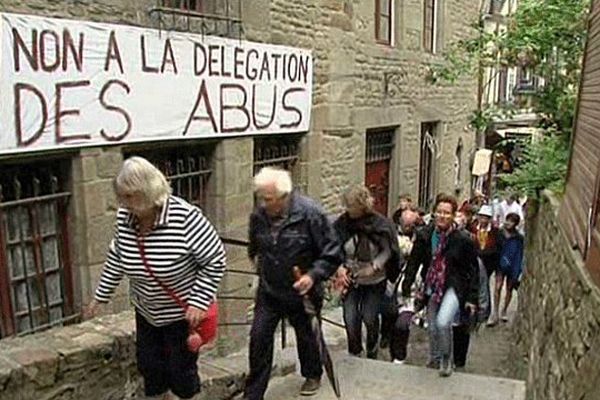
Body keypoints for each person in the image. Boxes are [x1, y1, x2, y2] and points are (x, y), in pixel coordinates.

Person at [85, 157, 227, 400]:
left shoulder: (186, 218)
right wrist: (101, 296)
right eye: (122, 196)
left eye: (130, 197)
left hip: (181, 315)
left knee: (181, 373)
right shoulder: (125, 219)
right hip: (147, 311)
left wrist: (198, 301)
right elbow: (118, 256)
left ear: (149, 191)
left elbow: (215, 259)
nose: (124, 203)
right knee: (150, 369)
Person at [242, 167, 342, 400]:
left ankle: (313, 373)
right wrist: (260, 267)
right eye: (261, 198)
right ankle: (253, 394)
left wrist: (313, 275)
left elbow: (332, 252)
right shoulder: (259, 216)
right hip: (270, 290)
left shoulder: (310, 214)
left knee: (307, 335)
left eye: (268, 199)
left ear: (284, 197)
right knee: (259, 339)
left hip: (303, 290)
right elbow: (254, 247)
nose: (263, 204)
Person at [402, 194, 479, 377]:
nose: (442, 216)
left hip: (453, 286)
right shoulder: (425, 236)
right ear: (434, 213)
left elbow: (473, 269)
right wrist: (407, 284)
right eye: (439, 212)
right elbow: (414, 262)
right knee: (433, 327)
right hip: (432, 286)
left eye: (447, 213)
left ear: (453, 215)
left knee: (443, 322)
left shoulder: (463, 239)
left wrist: (472, 297)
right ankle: (434, 358)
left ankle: (445, 358)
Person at [333, 185, 401, 359]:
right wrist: (339, 267)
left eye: (350, 206)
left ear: (361, 206)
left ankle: (372, 346)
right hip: (351, 278)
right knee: (350, 318)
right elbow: (333, 248)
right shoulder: (342, 224)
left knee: (369, 317)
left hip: (374, 280)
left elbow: (388, 250)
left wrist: (375, 266)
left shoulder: (380, 224)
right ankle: (354, 352)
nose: (347, 209)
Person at [389, 206, 421, 364]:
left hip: (411, 289)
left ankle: (399, 357)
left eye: (411, 224)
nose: (408, 227)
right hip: (391, 287)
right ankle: (393, 352)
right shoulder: (391, 237)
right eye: (405, 224)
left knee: (402, 325)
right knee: (390, 323)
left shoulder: (421, 238)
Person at [488, 213, 524, 326]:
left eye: (512, 221)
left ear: (515, 224)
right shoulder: (499, 233)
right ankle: (495, 312)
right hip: (499, 264)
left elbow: (519, 253)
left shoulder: (518, 238)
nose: (509, 223)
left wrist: (518, 269)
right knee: (497, 287)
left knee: (509, 289)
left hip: (512, 265)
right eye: (508, 220)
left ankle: (504, 311)